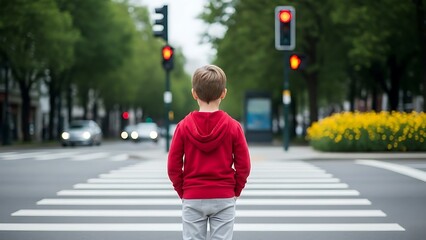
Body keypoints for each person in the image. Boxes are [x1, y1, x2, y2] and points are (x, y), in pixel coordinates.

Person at [168, 64, 251, 240]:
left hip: (192, 195)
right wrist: (236, 189)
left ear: (194, 93)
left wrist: (183, 191)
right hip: (224, 196)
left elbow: (173, 166)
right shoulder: (233, 127)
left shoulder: (183, 127)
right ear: (223, 93)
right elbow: (244, 165)